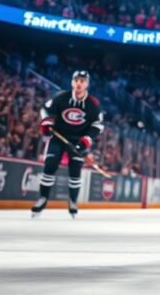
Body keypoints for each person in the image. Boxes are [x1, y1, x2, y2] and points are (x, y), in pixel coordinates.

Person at [31, 71, 104, 219]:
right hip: (58, 137)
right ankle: (43, 199)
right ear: (72, 82)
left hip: (78, 141)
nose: (79, 83)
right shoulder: (61, 97)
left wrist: (86, 140)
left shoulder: (93, 104)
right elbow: (45, 109)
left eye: (82, 81)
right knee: (49, 166)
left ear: (87, 84)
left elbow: (98, 125)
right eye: (76, 80)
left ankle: (72, 201)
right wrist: (46, 122)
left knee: (75, 172)